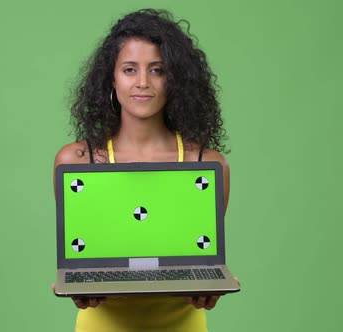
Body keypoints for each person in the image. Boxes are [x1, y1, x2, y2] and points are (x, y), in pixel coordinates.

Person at [53, 8, 236, 331]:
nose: (142, 83)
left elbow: (201, 255)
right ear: (111, 78)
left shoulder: (207, 165)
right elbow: (83, 256)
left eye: (157, 70)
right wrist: (77, 287)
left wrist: (209, 288)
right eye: (129, 69)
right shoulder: (76, 161)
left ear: (174, 79)